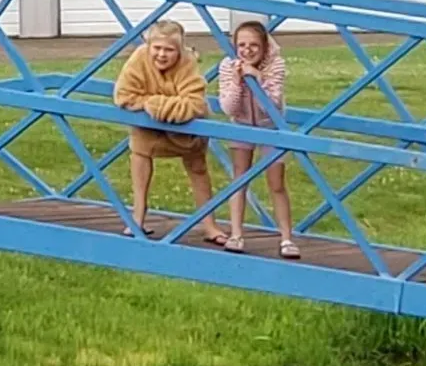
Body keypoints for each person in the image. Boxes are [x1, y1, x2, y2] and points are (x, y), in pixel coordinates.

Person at [112, 20, 227, 244]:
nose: (162, 55)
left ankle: (209, 225)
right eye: (157, 48)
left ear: (180, 49)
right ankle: (137, 217)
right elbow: (123, 96)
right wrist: (164, 105)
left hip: (187, 132)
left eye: (169, 50)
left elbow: (194, 104)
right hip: (148, 129)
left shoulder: (187, 63)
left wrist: (154, 105)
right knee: (139, 154)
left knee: (198, 168)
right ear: (148, 45)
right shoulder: (139, 58)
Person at [217, 20, 300, 258]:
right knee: (239, 179)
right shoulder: (228, 65)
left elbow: (271, 106)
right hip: (241, 125)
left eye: (254, 45)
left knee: (276, 183)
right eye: (241, 44)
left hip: (270, 127)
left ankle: (286, 238)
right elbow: (228, 108)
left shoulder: (276, 65)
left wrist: (258, 78)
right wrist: (237, 81)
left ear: (264, 46)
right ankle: (235, 233)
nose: (247, 50)